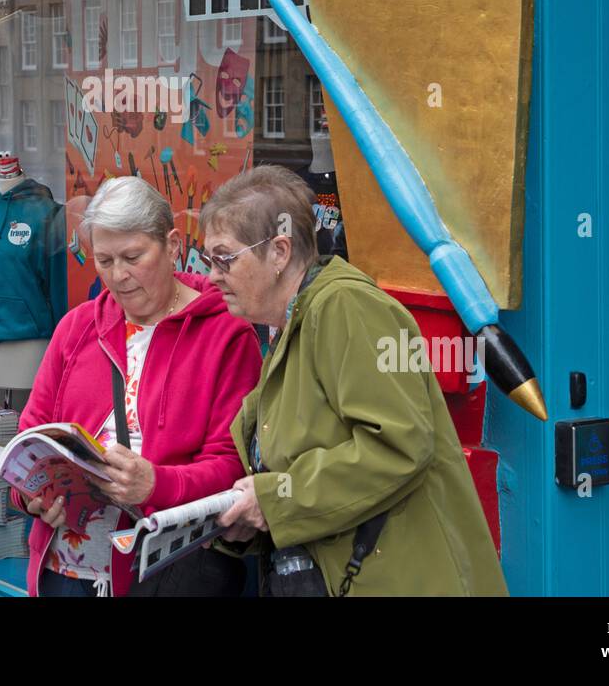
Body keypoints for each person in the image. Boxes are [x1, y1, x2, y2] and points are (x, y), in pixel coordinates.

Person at [205, 165, 508, 596]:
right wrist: (252, 519)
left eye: (224, 257)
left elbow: (398, 445)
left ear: (279, 252)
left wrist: (273, 500)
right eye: (208, 260)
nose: (213, 275)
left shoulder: (345, 306)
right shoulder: (292, 323)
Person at [12, 176, 262, 597]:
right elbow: (32, 430)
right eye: (104, 260)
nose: (119, 276)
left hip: (164, 574)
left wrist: (156, 485)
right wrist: (31, 497)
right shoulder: (76, 327)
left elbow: (232, 466)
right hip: (65, 570)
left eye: (133, 256)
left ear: (173, 245)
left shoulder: (227, 335)